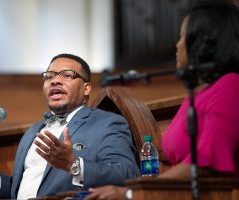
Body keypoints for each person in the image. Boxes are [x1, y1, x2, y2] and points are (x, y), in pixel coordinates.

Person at [85, 0, 239, 199]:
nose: (176, 45)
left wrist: (130, 193)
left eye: (182, 36)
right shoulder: (196, 93)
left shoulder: (231, 85)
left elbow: (204, 160)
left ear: (204, 41)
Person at [0, 53, 140, 199]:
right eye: (49, 76)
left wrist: (74, 165)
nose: (55, 80)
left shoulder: (106, 123)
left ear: (86, 88)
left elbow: (128, 174)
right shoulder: (33, 132)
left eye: (67, 75)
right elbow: (21, 192)